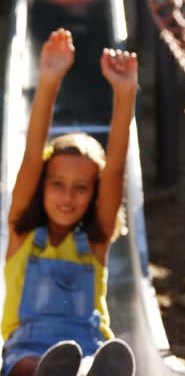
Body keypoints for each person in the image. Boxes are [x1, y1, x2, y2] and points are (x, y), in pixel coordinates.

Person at [0, 28, 137, 376]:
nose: (68, 195)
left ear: (93, 195)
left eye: (81, 187)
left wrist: (125, 94)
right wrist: (48, 79)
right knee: (29, 366)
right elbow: (32, 156)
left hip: (88, 347)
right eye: (57, 183)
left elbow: (116, 165)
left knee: (89, 362)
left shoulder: (94, 243)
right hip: (28, 350)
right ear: (42, 186)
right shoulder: (22, 233)